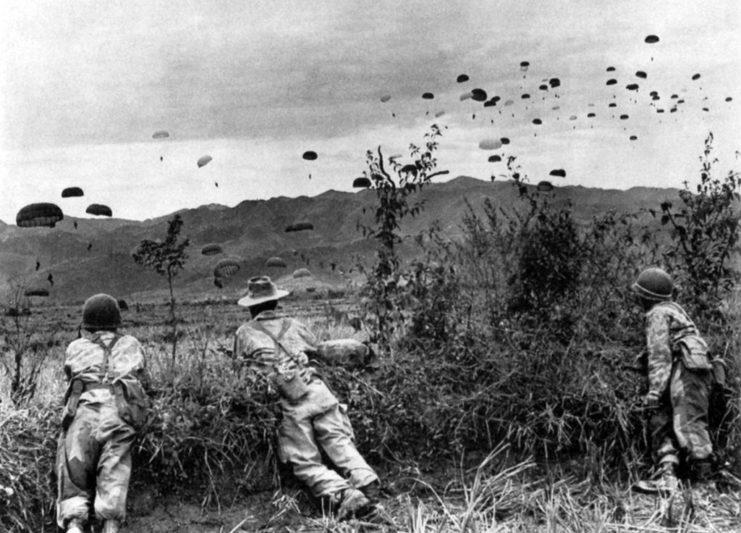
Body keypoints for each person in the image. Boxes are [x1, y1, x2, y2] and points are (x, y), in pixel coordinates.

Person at [233, 276, 381, 519]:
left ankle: (343, 494)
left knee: (304, 460)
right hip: (318, 390)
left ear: (251, 307)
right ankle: (366, 481)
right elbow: (319, 352)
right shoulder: (296, 325)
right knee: (339, 441)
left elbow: (239, 375)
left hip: (289, 401)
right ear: (275, 302)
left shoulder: (244, 333)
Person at [56, 294, 150, 533]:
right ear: (116, 321)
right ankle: (110, 525)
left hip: (83, 415)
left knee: (73, 474)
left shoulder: (76, 347)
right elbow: (145, 382)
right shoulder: (132, 344)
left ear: (87, 324)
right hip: (119, 416)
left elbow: (70, 375)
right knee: (115, 472)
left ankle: (75, 523)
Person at [630, 267, 714, 493]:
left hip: (684, 371)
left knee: (687, 422)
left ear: (647, 296)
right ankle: (670, 477)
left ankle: (704, 483)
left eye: (640, 295)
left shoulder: (657, 314)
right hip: (691, 370)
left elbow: (660, 356)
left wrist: (655, 391)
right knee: (674, 417)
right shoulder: (677, 311)